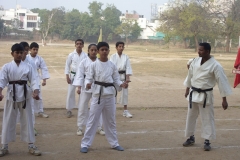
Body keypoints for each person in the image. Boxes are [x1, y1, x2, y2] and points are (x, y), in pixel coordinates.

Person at [183, 42, 232, 151]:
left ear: (207, 51)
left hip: (206, 95)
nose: (198, 51)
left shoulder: (216, 65)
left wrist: (224, 100)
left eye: (201, 50)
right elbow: (190, 75)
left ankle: (207, 140)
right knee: (191, 116)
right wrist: (187, 89)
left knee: (207, 118)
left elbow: (222, 82)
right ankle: (190, 137)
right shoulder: (195, 61)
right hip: (193, 93)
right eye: (198, 49)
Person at [80, 42, 128, 153]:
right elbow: (88, 78)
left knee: (111, 121)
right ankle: (85, 144)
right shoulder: (93, 65)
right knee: (92, 120)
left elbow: (116, 79)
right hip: (98, 96)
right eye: (102, 50)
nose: (104, 52)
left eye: (106, 49)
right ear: (97, 51)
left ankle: (114, 143)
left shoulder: (112, 65)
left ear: (109, 51)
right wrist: (88, 84)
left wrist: (122, 84)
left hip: (110, 96)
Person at [0, 43, 41, 157]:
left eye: (21, 52)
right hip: (11, 95)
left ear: (24, 53)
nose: (19, 55)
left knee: (28, 120)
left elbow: (34, 80)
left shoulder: (28, 67)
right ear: (12, 53)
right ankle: (4, 146)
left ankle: (31, 145)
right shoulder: (7, 67)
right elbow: (2, 80)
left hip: (25, 95)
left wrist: (35, 92)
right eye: (16, 52)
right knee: (8, 120)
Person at [73, 44, 105, 136]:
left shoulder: (100, 62)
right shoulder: (83, 62)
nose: (94, 52)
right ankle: (80, 127)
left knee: (97, 108)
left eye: (95, 50)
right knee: (82, 107)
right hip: (85, 87)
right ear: (88, 51)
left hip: (97, 87)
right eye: (92, 50)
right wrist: (79, 87)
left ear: (97, 51)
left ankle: (99, 127)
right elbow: (79, 75)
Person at [19, 41, 39, 135]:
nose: (26, 53)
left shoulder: (30, 62)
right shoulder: (12, 64)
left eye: (27, 50)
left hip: (28, 89)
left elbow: (34, 78)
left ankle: (32, 127)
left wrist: (35, 90)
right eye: (24, 50)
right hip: (15, 91)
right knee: (15, 110)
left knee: (30, 109)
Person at [65, 39, 87, 118]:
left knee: (82, 93)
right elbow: (67, 66)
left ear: (83, 45)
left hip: (82, 76)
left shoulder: (85, 55)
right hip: (73, 75)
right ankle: (69, 110)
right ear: (75, 45)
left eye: (80, 44)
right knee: (70, 92)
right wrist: (67, 76)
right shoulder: (71, 55)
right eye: (77, 44)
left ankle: (81, 109)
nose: (79, 45)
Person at [110, 42, 133, 118]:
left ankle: (125, 111)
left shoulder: (126, 57)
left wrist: (127, 78)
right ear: (116, 47)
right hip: (115, 78)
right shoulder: (113, 57)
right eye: (119, 46)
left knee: (125, 93)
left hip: (123, 76)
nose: (121, 48)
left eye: (122, 46)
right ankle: (112, 111)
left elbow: (128, 67)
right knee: (113, 94)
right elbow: (111, 68)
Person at [27, 42, 50, 118]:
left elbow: (44, 68)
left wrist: (44, 80)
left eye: (37, 49)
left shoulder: (39, 58)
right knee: (28, 96)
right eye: (34, 49)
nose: (35, 51)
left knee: (38, 95)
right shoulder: (26, 58)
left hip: (36, 78)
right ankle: (30, 111)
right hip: (27, 79)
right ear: (30, 49)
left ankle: (40, 111)